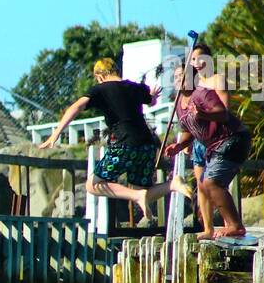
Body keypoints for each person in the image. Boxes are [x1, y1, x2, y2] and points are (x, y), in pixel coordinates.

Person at [39, 58, 190, 225]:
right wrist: (152, 97)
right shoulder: (133, 86)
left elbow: (76, 107)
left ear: (99, 76)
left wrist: (55, 134)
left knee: (92, 185)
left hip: (125, 144)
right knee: (143, 190)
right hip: (147, 145)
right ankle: (172, 185)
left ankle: (137, 196)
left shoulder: (100, 89)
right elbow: (151, 100)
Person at [163, 43, 252, 239]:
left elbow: (222, 113)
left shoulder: (201, 94)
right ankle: (228, 225)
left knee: (212, 182)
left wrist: (203, 112)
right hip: (216, 144)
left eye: (183, 77)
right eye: (176, 78)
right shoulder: (180, 104)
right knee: (204, 184)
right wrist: (179, 145)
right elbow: (189, 129)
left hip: (233, 139)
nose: (179, 80)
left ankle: (236, 226)